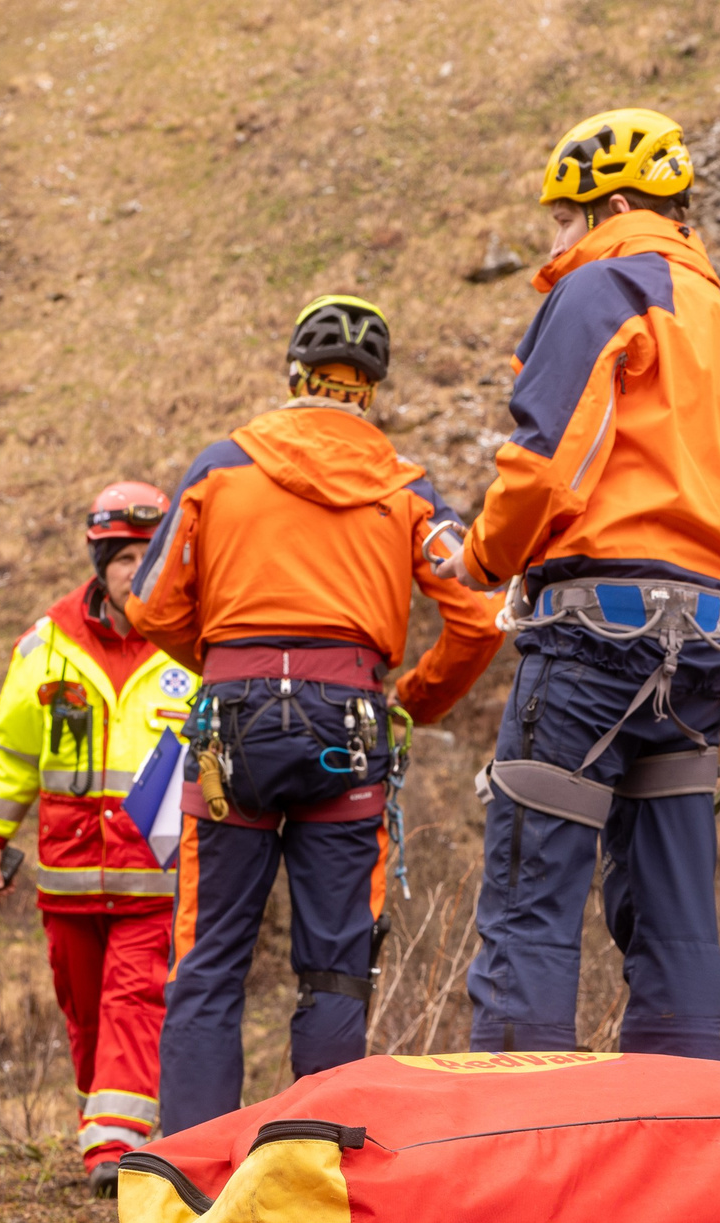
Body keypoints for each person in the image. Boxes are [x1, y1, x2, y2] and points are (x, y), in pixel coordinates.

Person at [443, 108, 720, 1057]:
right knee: (676, 914)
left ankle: (518, 1152)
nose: (553, 244)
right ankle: (676, 1140)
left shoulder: (601, 287)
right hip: (705, 640)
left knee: (532, 895)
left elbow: (545, 458)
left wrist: (481, 559)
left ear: (608, 204)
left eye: (561, 219)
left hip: (591, 633)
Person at [127, 294, 501, 1132]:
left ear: (297, 376)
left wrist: (227, 666)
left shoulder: (222, 465)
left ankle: (189, 1181)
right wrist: (413, 699)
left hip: (232, 727)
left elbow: (149, 606)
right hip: (352, 723)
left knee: (210, 958)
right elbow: (478, 613)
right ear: (370, 390)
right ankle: (317, 1172)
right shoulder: (406, 487)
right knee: (335, 967)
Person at [0, 481, 188, 1193]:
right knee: (86, 1016)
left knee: (135, 1001)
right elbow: (14, 755)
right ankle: (104, 1124)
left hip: (153, 878)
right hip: (66, 878)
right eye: (123, 557)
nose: (135, 570)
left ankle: (115, 1149)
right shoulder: (47, 645)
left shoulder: (190, 642)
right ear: (99, 562)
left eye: (146, 555)